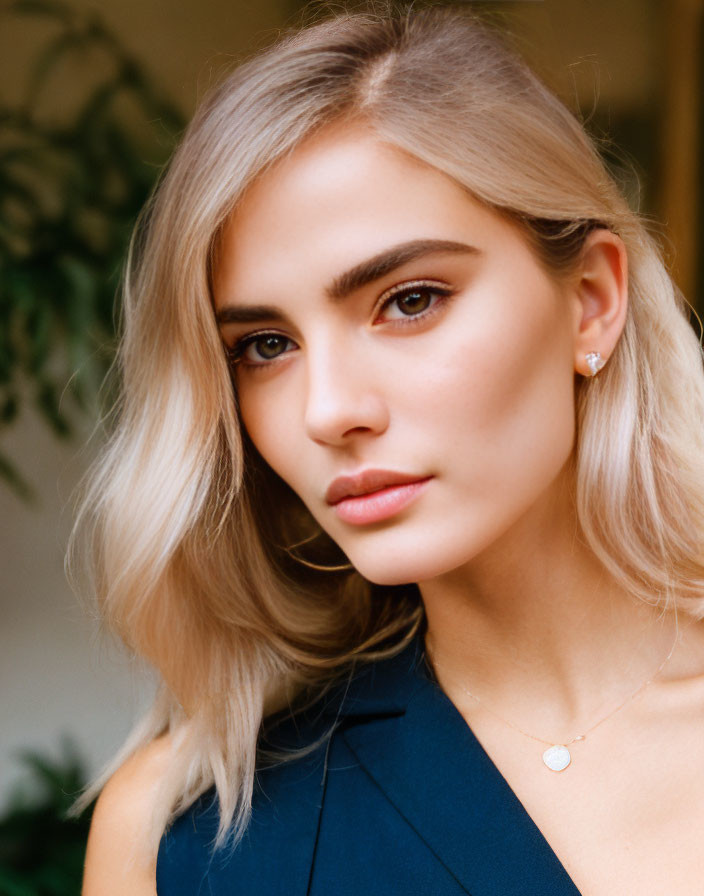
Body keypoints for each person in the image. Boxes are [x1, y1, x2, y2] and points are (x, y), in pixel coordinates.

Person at [74, 4, 704, 894]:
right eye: (264, 345)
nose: (328, 410)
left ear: (592, 300)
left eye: (408, 300)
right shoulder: (186, 836)